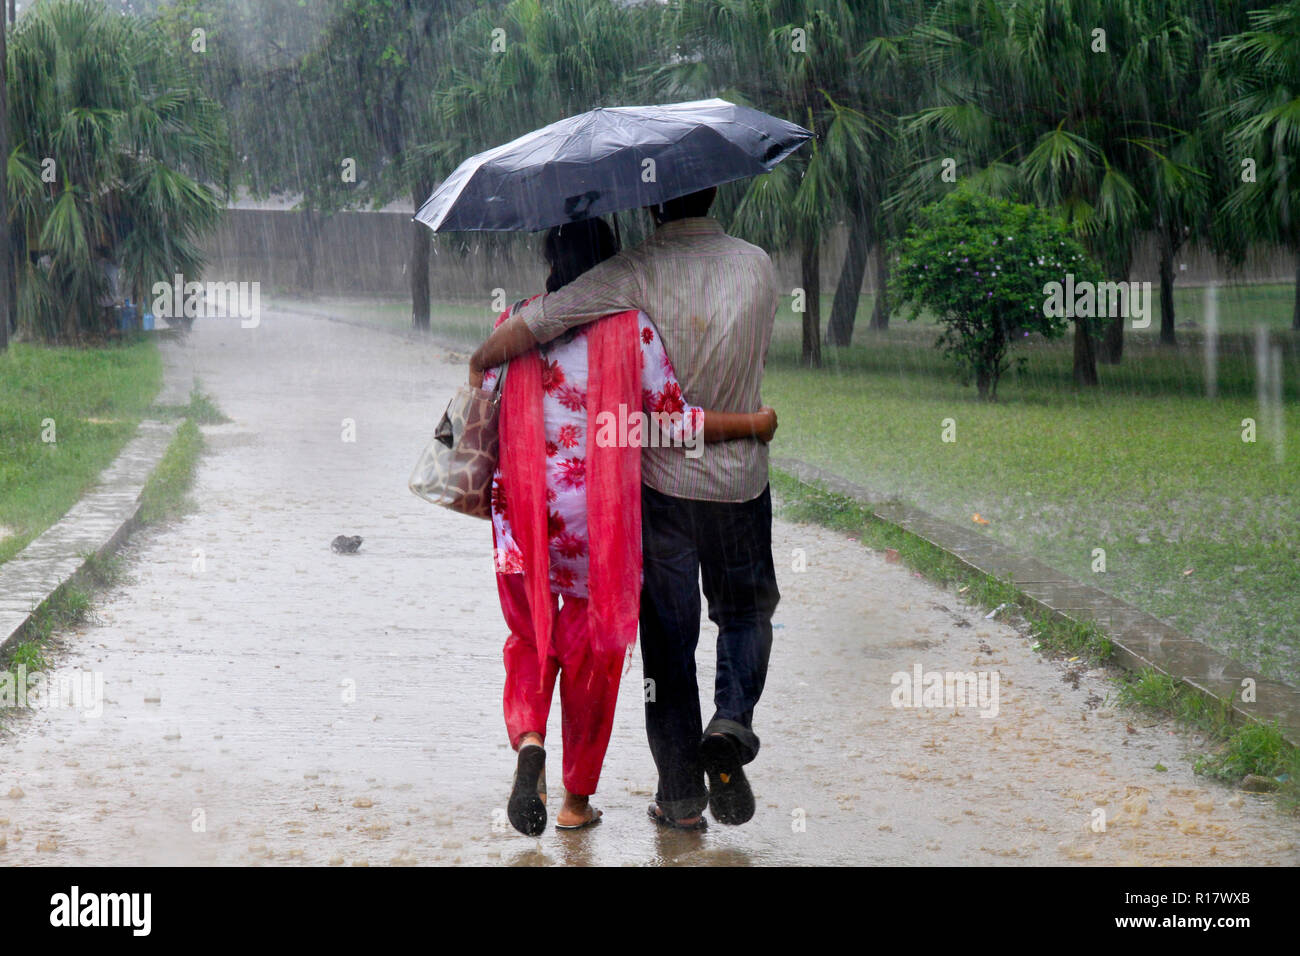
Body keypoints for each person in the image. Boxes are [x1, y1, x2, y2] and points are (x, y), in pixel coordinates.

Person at [470, 187, 780, 830]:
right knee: (616, 646)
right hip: (627, 512)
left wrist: (479, 361)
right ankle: (590, 793)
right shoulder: (662, 311)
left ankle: (545, 749)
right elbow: (672, 420)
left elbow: (489, 407)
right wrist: (752, 420)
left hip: (532, 515)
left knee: (550, 636)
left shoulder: (550, 310)